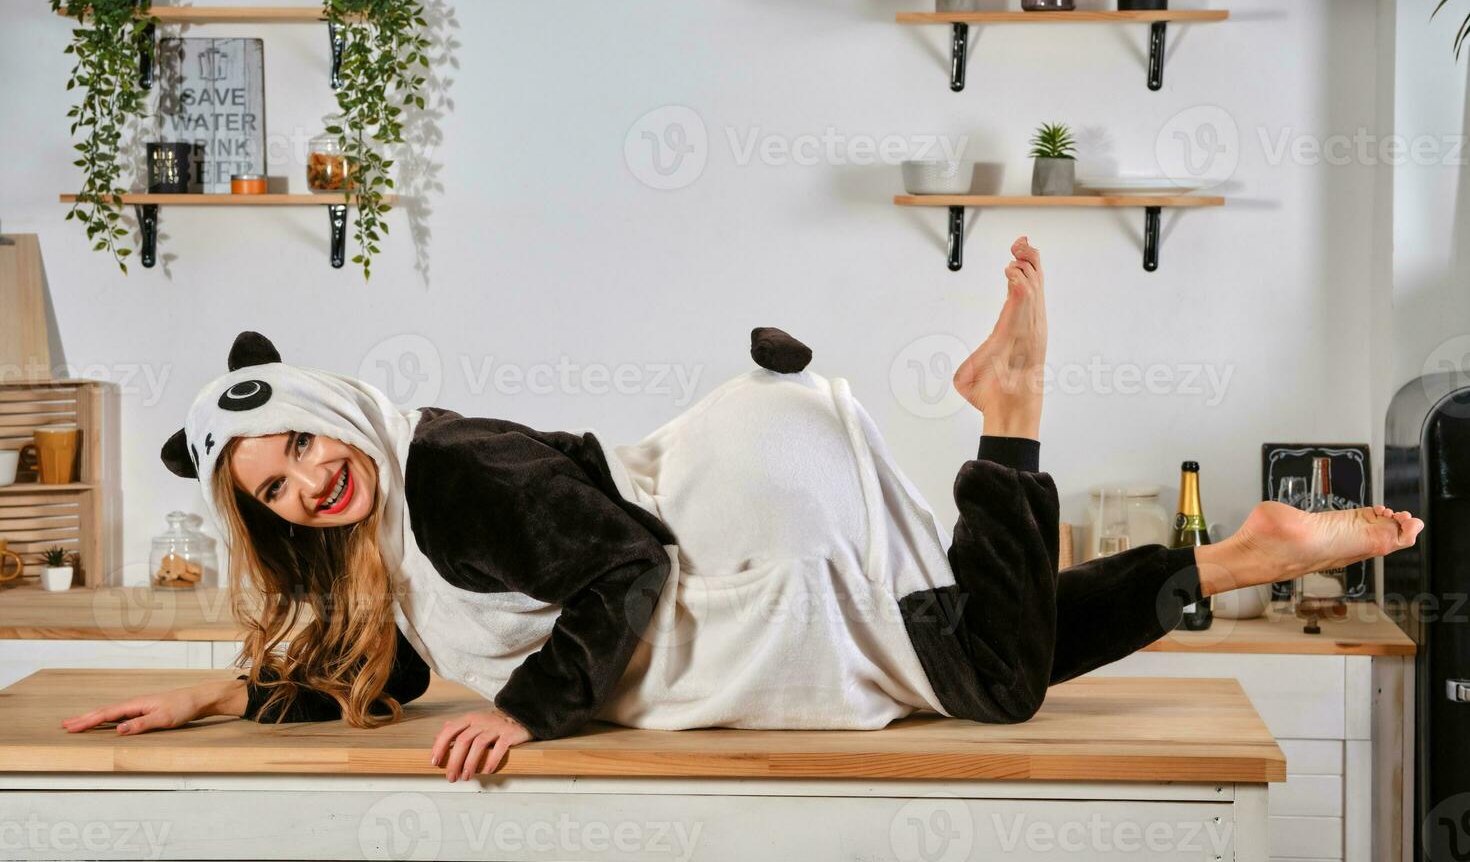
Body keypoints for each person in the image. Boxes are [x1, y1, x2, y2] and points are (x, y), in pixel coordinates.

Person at [62, 239, 1424, 783]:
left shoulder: (449, 468)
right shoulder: (405, 525)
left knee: (992, 685)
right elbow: (411, 650)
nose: (306, 480)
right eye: (276, 488)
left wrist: (528, 713)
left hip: (731, 529)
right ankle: (1228, 563)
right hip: (734, 516)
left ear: (328, 403)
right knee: (947, 646)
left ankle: (1007, 415)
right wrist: (224, 698)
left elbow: (618, 568)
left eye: (298, 440)